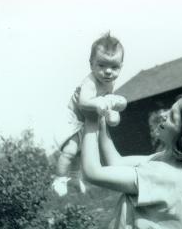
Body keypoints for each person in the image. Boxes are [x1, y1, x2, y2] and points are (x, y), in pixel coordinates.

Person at [81, 95, 182, 229]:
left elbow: (92, 173)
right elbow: (116, 162)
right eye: (169, 109)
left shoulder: (165, 174)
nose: (163, 115)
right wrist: (101, 120)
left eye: (172, 117)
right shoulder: (169, 162)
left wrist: (90, 120)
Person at [52, 33, 127, 196]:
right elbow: (84, 102)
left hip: (85, 120)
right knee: (71, 150)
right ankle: (59, 178)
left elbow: (106, 100)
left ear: (121, 66)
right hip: (73, 119)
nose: (108, 72)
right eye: (101, 65)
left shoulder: (109, 82)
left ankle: (74, 178)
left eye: (114, 67)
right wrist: (98, 103)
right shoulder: (90, 82)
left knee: (81, 153)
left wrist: (109, 108)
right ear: (91, 64)